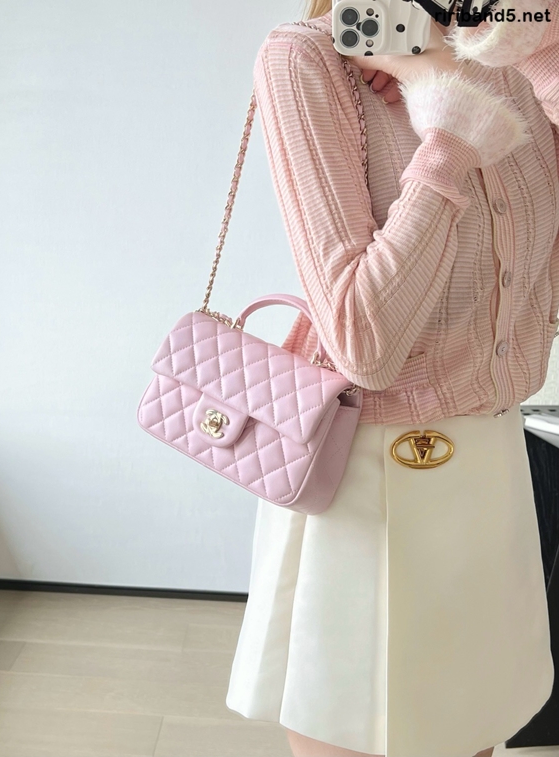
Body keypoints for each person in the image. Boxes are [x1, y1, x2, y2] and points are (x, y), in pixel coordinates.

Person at [225, 0, 559, 755]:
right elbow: (363, 342)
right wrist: (449, 126)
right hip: (367, 478)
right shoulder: (308, 60)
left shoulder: (511, 57)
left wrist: (535, 53)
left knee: (473, 727)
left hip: (491, 467)